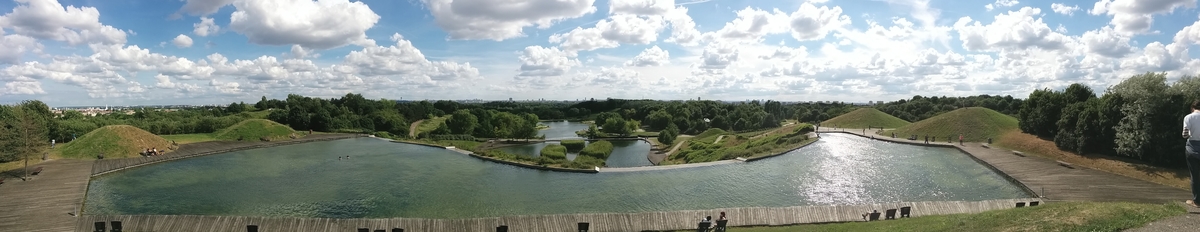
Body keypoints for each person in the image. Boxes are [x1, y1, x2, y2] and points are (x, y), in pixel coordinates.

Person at [1182, 100, 1200, 208]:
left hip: (1192, 149)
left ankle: (1197, 201)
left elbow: (1185, 134)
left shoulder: (1189, 117)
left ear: (1192, 108)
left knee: (1195, 175)